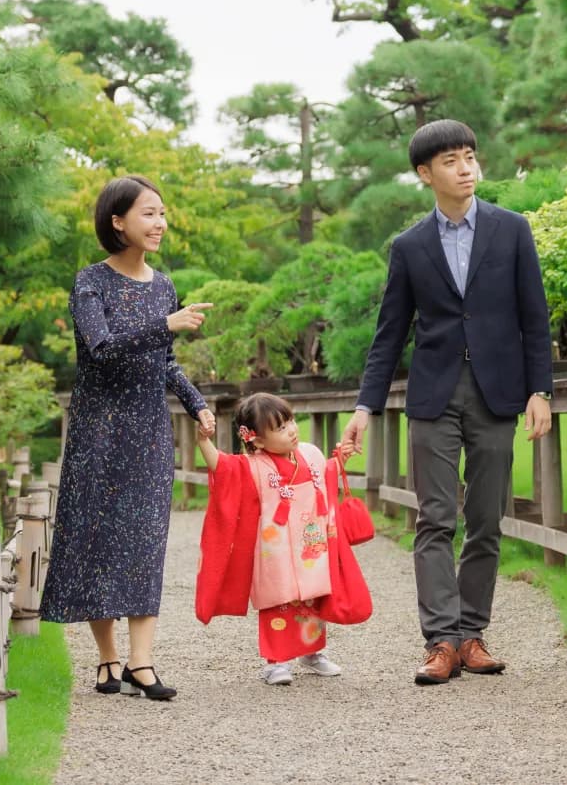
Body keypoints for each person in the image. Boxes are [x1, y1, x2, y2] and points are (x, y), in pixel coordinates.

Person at [341, 119, 553, 685]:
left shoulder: (512, 230)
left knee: (485, 519)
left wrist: (540, 390)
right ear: (425, 173)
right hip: (433, 396)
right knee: (434, 518)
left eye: (469, 157)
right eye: (452, 161)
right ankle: (441, 641)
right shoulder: (410, 246)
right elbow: (390, 334)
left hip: (497, 393)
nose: (466, 168)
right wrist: (366, 406)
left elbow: (535, 318)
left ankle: (473, 635)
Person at [39, 174, 216, 701]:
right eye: (148, 213)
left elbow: (164, 362)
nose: (159, 223)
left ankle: (142, 665)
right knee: (99, 546)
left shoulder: (163, 286)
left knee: (143, 546)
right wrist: (167, 324)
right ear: (118, 221)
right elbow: (103, 348)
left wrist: (196, 401)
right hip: (99, 432)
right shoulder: (89, 282)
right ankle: (107, 658)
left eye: (162, 213)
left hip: (148, 432)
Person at [195, 393, 357, 686]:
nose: (292, 430)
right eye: (281, 428)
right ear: (257, 440)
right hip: (275, 550)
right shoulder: (253, 466)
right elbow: (222, 467)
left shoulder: (310, 453)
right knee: (277, 601)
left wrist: (340, 459)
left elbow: (327, 476)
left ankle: (312, 652)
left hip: (309, 545)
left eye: (291, 421)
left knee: (312, 596)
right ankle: (275, 661)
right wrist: (203, 442)